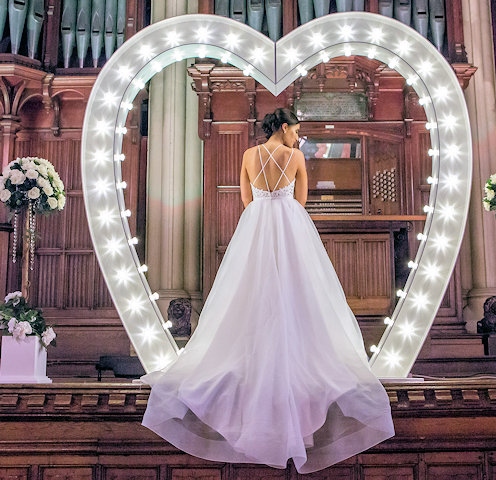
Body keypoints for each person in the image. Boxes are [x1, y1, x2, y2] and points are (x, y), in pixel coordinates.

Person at [141, 108, 394, 474]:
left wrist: (264, 209)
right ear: (286, 127)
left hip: (255, 224)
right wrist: (282, 207)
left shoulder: (248, 155)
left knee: (249, 292)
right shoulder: (294, 156)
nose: (298, 137)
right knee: (299, 291)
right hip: (290, 225)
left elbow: (246, 199)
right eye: (297, 131)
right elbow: (301, 201)